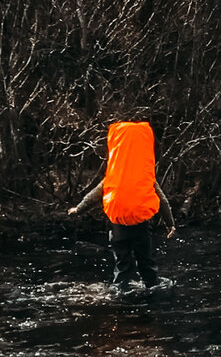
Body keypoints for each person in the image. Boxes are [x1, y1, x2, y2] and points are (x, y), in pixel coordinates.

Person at [68, 120, 176, 291]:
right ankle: (151, 288)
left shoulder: (113, 177)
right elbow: (162, 201)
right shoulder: (146, 177)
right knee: (146, 262)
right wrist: (170, 224)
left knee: (122, 264)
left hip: (118, 229)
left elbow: (94, 195)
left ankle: (120, 293)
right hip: (141, 228)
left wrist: (78, 209)